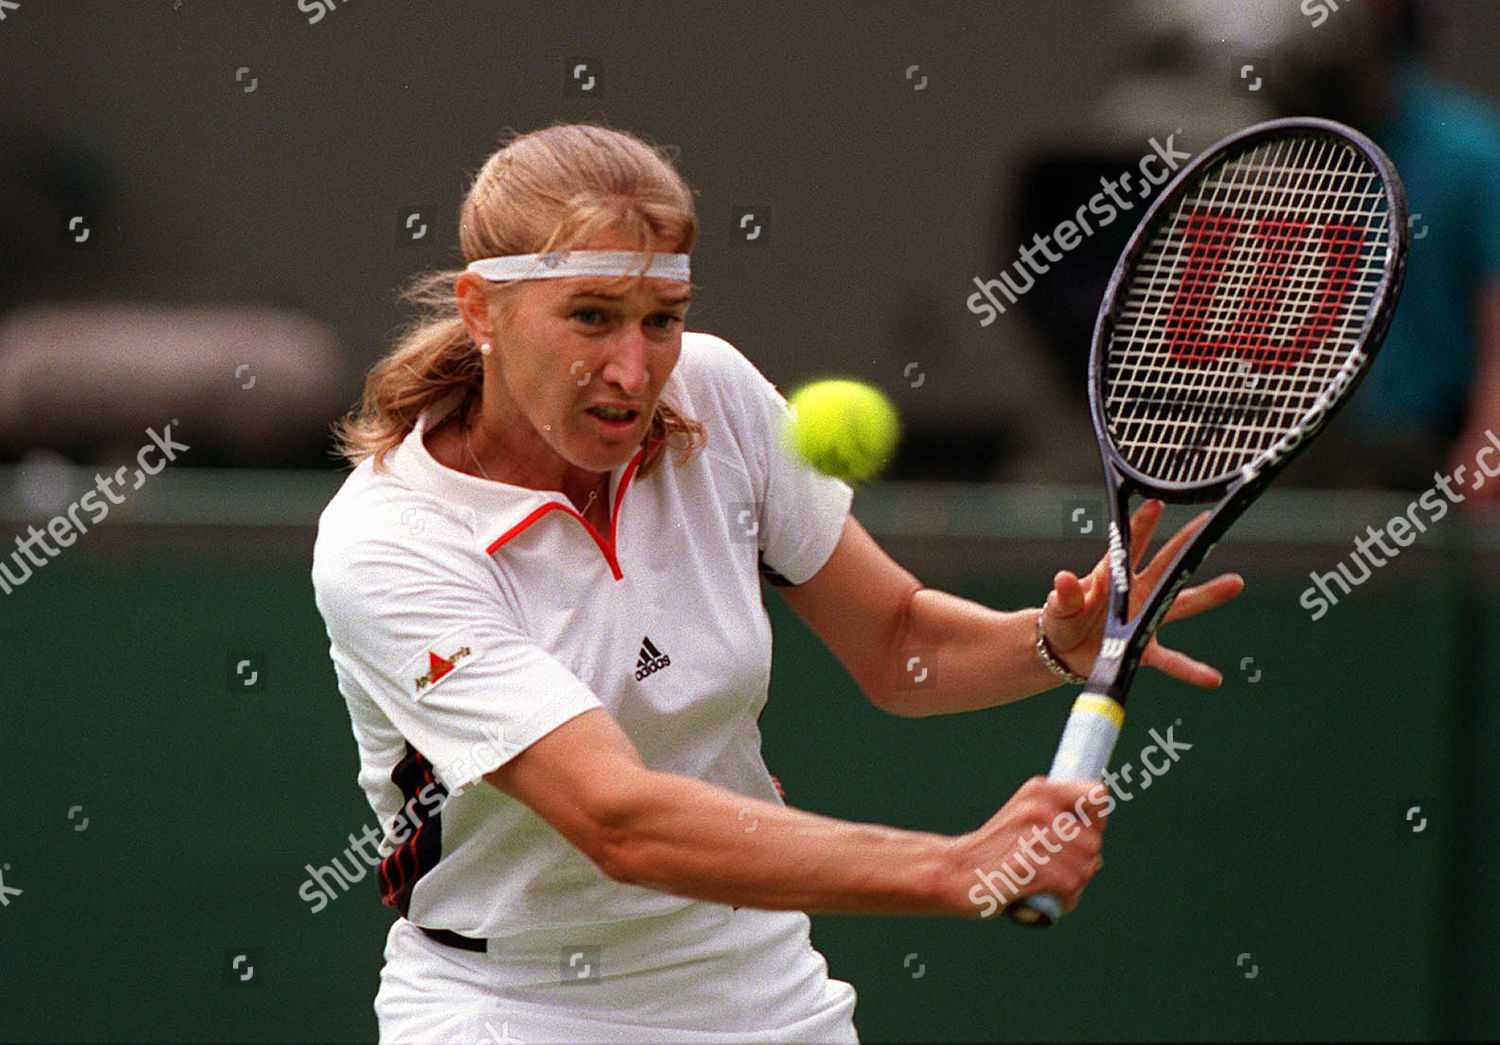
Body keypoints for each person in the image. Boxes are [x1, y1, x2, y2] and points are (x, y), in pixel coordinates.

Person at [310, 123, 1243, 1043]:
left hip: (762, 992)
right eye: (591, 315)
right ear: (482, 309)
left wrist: (1046, 644)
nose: (633, 371)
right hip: (513, 1008)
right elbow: (618, 819)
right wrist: (951, 866)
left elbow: (899, 643)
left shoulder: (713, 392)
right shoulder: (390, 540)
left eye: (661, 320)